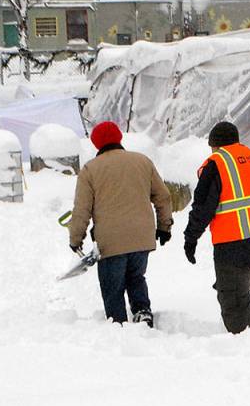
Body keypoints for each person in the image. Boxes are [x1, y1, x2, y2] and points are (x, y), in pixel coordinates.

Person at [183, 121, 250, 334]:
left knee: (232, 299)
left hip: (232, 245)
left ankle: (244, 346)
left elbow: (203, 207)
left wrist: (190, 238)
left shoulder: (217, 163)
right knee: (240, 294)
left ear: (215, 144)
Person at [68, 121, 173, 327]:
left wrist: (75, 238)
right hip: (142, 237)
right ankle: (142, 312)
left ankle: (118, 325)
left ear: (96, 143)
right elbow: (164, 197)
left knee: (112, 286)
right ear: (119, 138)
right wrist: (164, 226)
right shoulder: (142, 161)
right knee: (136, 277)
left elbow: (82, 210)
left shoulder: (90, 170)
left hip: (110, 241)